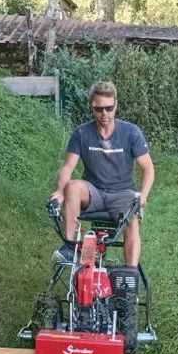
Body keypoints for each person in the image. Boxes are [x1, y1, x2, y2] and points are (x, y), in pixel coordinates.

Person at [50, 81, 154, 267]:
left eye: (109, 108)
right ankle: (69, 247)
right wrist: (60, 191)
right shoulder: (82, 133)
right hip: (93, 192)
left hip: (122, 192)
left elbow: (148, 168)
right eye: (99, 109)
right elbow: (67, 167)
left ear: (116, 105)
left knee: (132, 217)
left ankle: (129, 275)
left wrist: (143, 197)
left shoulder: (131, 132)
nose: (104, 114)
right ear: (92, 107)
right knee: (72, 187)